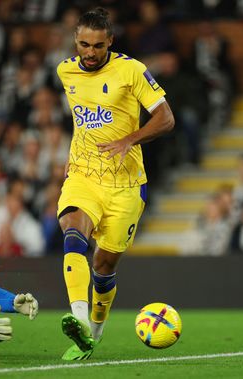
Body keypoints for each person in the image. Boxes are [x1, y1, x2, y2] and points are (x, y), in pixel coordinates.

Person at [56, 8, 174, 360]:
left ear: (110, 41)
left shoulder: (131, 70)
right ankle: (77, 318)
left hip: (125, 183)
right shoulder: (66, 70)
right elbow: (83, 120)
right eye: (83, 44)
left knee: (104, 265)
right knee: (73, 230)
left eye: (96, 45)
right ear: (75, 40)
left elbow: (165, 119)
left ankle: (94, 328)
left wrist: (129, 140)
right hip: (84, 174)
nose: (89, 52)